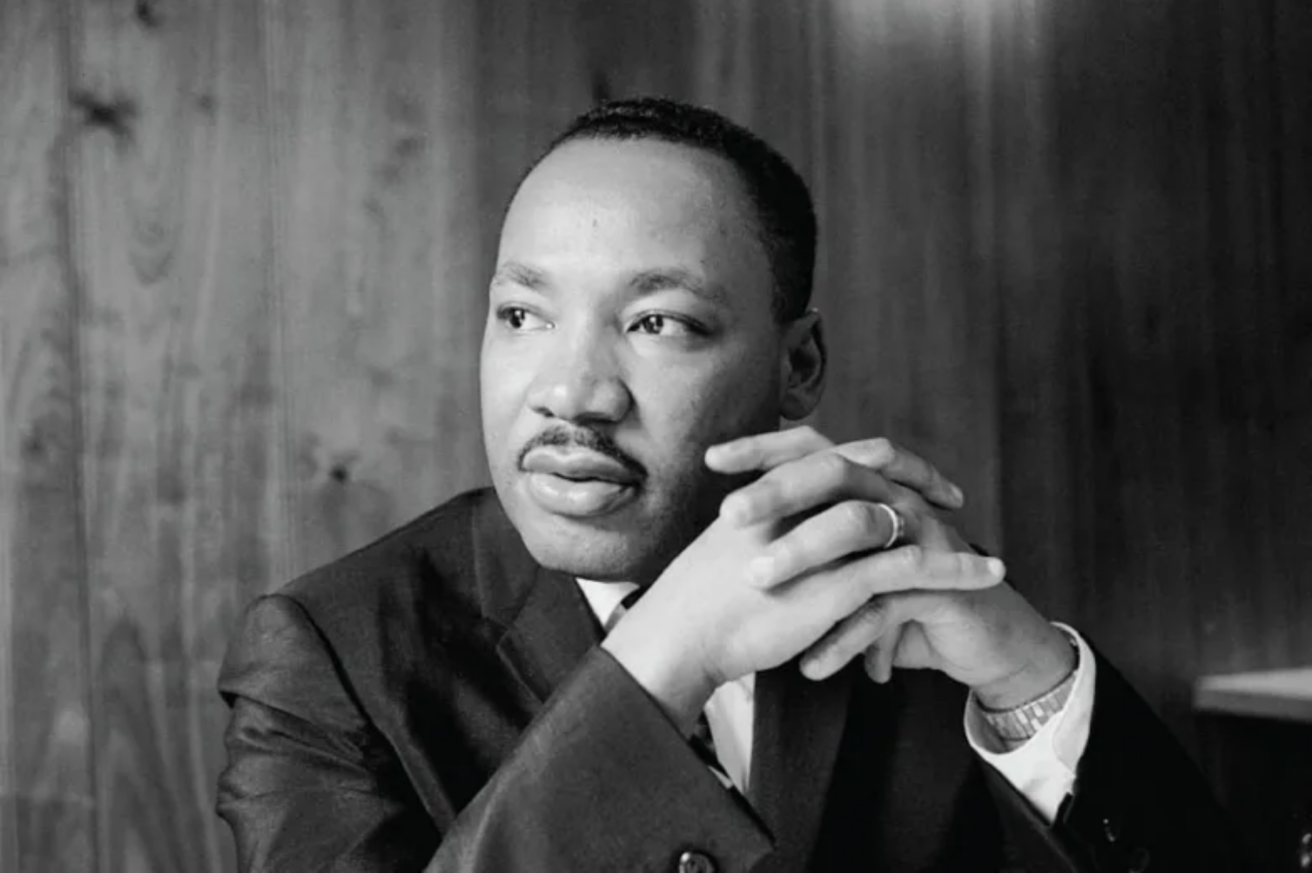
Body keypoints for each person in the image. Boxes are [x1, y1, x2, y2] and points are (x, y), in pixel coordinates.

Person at [217, 97, 1244, 872]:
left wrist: (1032, 679)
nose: (570, 391)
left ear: (797, 367)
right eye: (523, 315)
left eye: (658, 321)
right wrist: (662, 660)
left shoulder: (906, 595)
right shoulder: (325, 653)